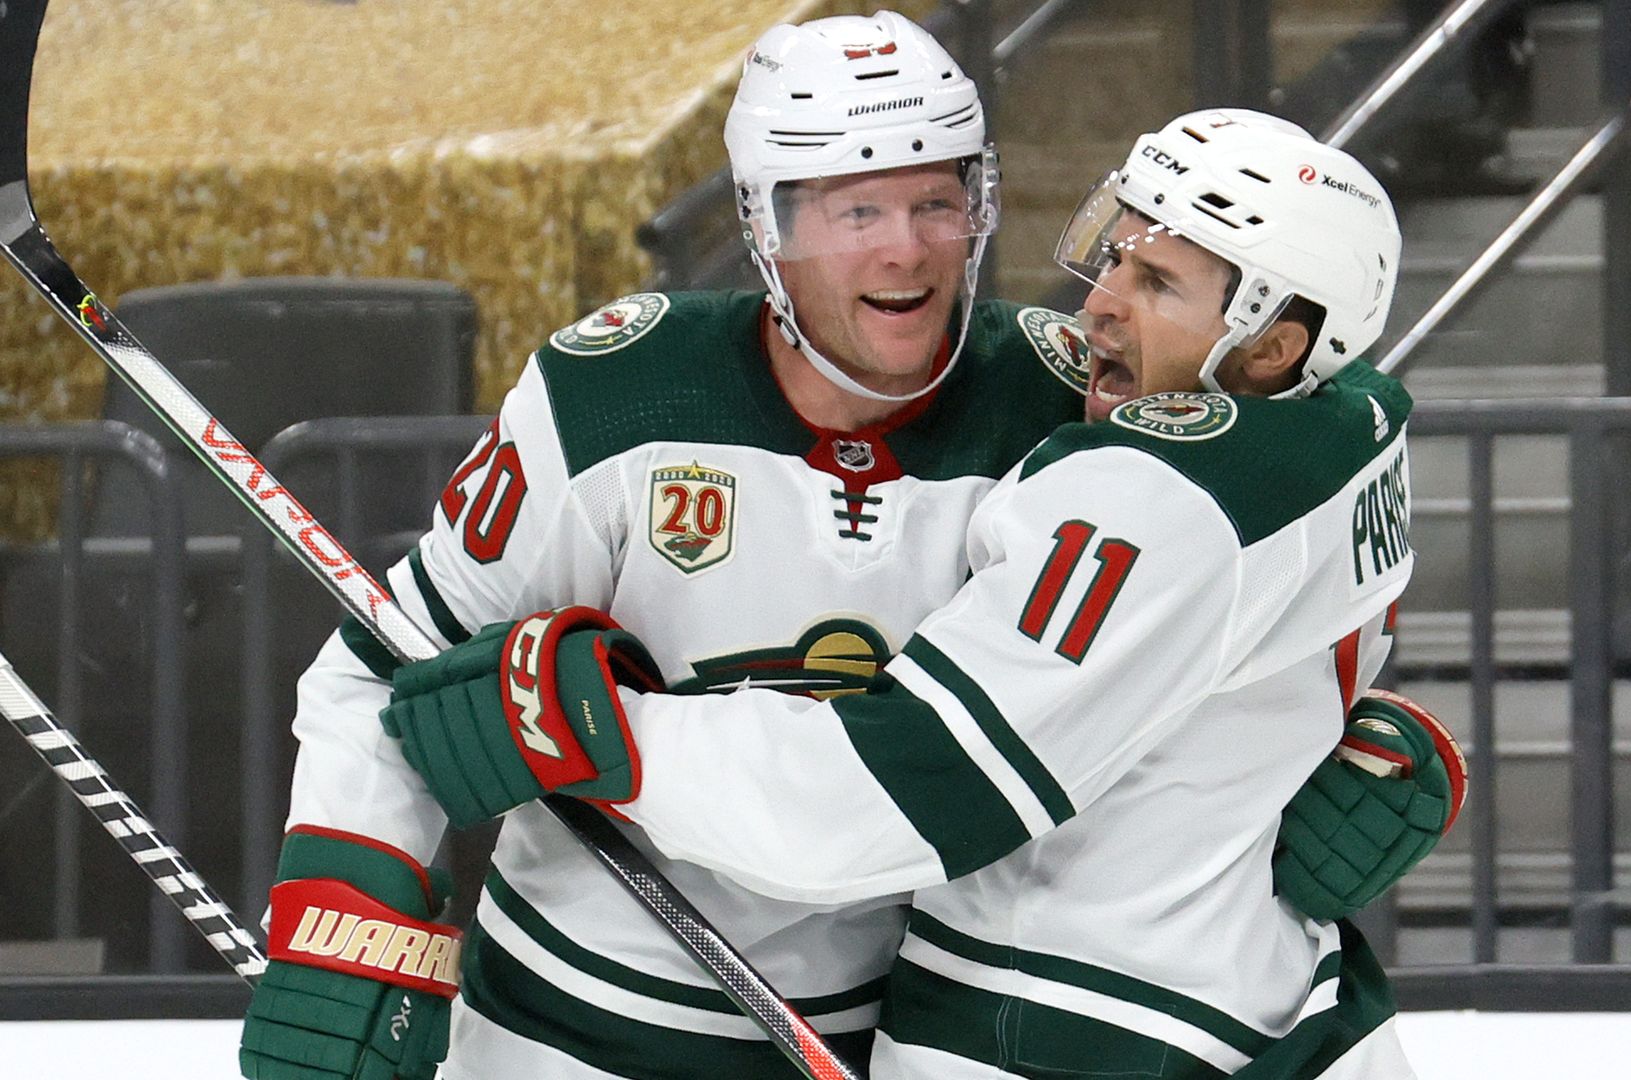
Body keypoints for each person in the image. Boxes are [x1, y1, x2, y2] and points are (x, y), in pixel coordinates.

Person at [238, 9, 1452, 1078]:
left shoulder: (1069, 403)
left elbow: (1290, 454)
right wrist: (351, 912)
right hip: (574, 1030)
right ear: (769, 229)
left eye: (936, 201)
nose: (905, 249)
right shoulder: (611, 401)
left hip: (867, 1033)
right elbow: (385, 665)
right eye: (854, 208)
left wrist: (1326, 729)